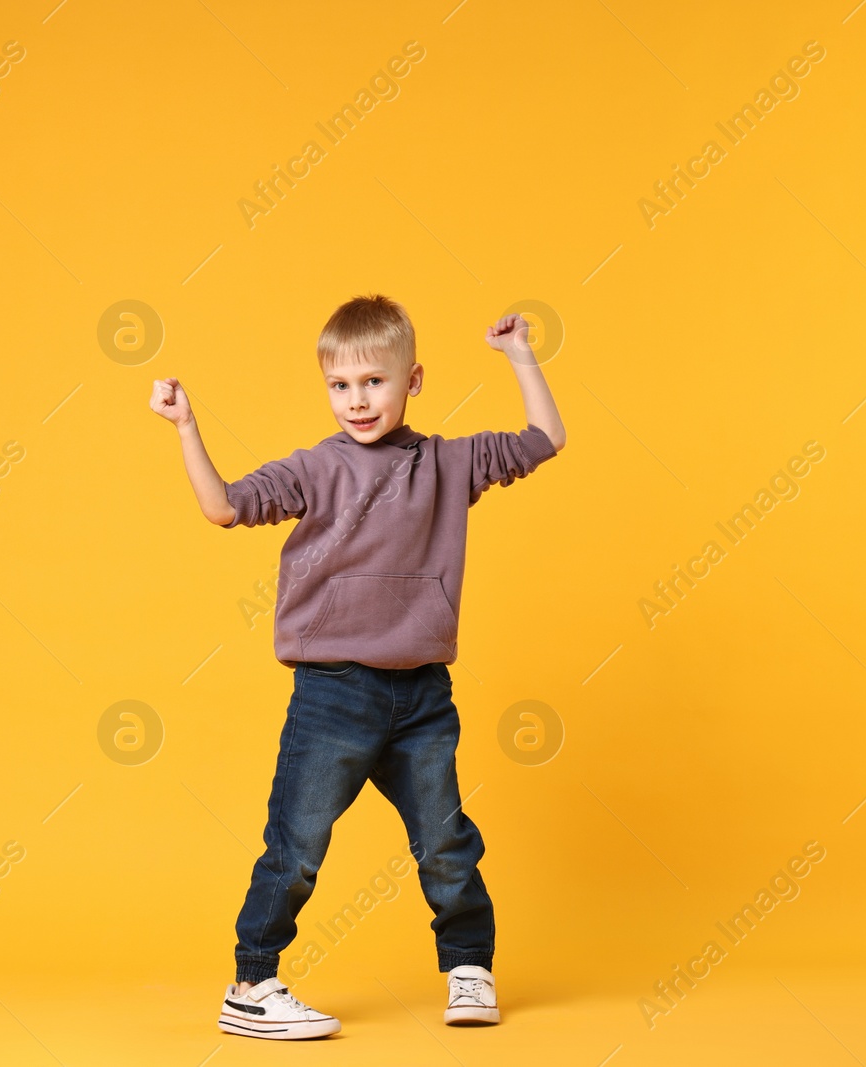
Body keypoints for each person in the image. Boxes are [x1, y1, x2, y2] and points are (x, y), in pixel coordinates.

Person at [149, 293, 566, 1039]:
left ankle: (469, 963)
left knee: (444, 837)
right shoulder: (316, 468)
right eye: (340, 385)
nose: (357, 399)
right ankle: (252, 982)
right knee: (297, 841)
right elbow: (223, 507)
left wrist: (519, 355)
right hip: (334, 691)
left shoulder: (448, 462)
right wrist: (187, 427)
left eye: (374, 381)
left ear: (414, 381)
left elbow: (545, 438)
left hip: (422, 694)